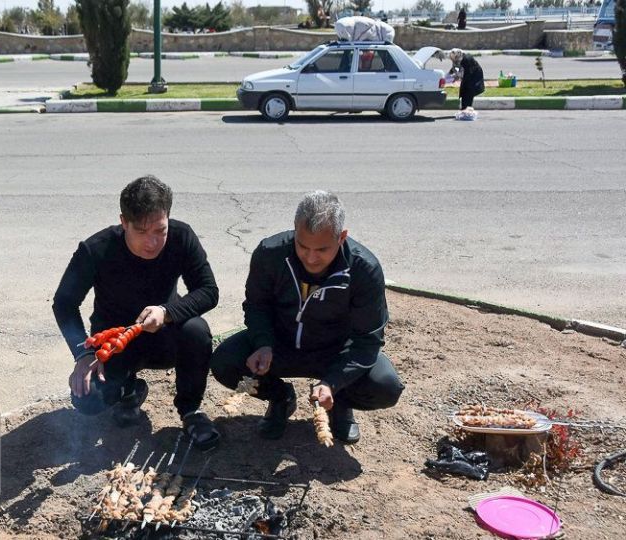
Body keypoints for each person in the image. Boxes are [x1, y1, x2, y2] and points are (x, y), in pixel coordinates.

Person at [210, 191, 404, 443]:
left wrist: (334, 382)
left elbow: (367, 341)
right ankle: (281, 398)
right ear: (294, 232)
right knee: (225, 362)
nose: (311, 258)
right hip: (280, 346)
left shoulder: (363, 269)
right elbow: (257, 306)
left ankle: (339, 403)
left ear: (341, 237)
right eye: (303, 246)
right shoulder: (270, 254)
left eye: (322, 249)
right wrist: (263, 344)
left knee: (385, 386)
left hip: (334, 352)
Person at [52, 175, 221, 451]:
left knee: (196, 331)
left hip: (163, 336)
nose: (152, 242)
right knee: (87, 399)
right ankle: (128, 391)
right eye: (141, 232)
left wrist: (166, 312)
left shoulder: (181, 237)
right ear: (124, 222)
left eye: (159, 231)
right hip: (114, 343)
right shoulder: (96, 249)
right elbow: (63, 303)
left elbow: (208, 290)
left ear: (168, 218)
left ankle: (191, 411)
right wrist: (82, 353)